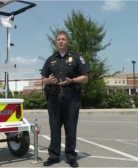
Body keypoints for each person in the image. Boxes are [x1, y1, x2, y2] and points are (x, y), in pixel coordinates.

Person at [40, 31, 91, 167]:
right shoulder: (50, 59)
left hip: (71, 98)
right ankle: (54, 156)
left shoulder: (76, 58)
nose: (61, 41)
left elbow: (85, 77)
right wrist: (49, 81)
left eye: (63, 39)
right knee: (54, 128)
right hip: (54, 98)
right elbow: (43, 79)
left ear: (67, 42)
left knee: (70, 128)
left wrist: (72, 80)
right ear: (56, 42)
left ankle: (70, 156)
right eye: (58, 39)